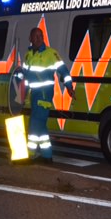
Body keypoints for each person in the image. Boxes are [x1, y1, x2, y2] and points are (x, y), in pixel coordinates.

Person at [22, 27, 74, 163]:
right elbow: (25, 76)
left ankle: (29, 155)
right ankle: (46, 155)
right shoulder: (28, 55)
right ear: (30, 39)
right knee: (41, 125)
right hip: (34, 95)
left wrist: (69, 87)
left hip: (44, 94)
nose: (38, 38)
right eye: (36, 36)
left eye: (41, 35)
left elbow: (64, 71)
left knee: (34, 125)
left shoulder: (51, 53)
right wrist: (22, 95)